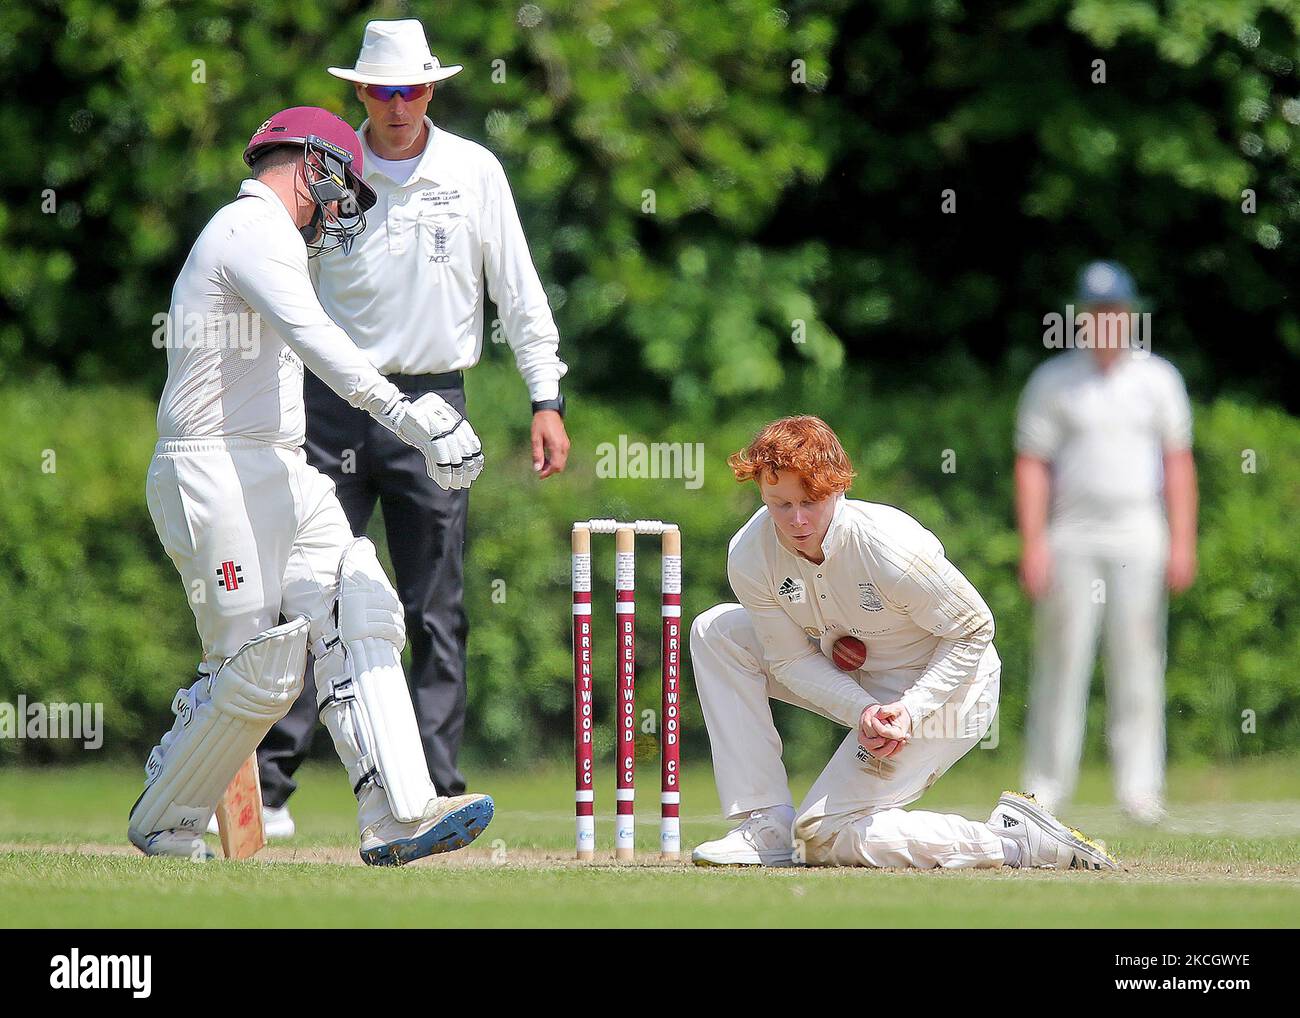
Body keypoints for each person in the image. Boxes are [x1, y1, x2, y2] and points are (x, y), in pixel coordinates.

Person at [132, 106, 494, 865]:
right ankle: (165, 822)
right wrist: (410, 415)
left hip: (279, 466)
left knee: (359, 596)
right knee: (256, 668)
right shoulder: (249, 228)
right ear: (311, 165)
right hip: (211, 468)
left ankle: (396, 812)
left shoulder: (275, 242)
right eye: (338, 192)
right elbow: (319, 341)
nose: (337, 215)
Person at [253, 19, 569, 827]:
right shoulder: (327, 171)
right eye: (383, 91)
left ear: (433, 89)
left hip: (434, 405)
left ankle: (429, 788)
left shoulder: (473, 171)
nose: (398, 106)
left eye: (413, 90)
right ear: (360, 92)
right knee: (303, 594)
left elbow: (520, 291)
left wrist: (546, 398)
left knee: (434, 602)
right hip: (330, 406)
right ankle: (269, 790)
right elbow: (276, 288)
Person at [689, 415, 1116, 870]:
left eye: (810, 502)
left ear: (837, 487)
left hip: (948, 691)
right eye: (780, 504)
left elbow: (973, 629)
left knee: (817, 838)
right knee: (717, 632)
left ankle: (1012, 842)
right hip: (861, 685)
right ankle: (765, 823)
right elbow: (790, 658)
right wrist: (863, 710)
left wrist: (910, 709)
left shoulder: (888, 547)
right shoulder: (751, 553)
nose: (796, 520)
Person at [1016, 260, 1197, 825]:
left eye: (1114, 311)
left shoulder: (1158, 379)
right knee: (1062, 657)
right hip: (1072, 534)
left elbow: (1177, 464)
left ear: (1129, 313)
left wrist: (1183, 540)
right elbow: (1032, 464)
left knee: (1139, 658)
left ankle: (1140, 790)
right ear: (1080, 317)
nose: (1105, 322)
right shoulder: (1053, 380)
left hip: (1139, 532)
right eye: (1095, 312)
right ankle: (1044, 789)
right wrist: (1034, 543)